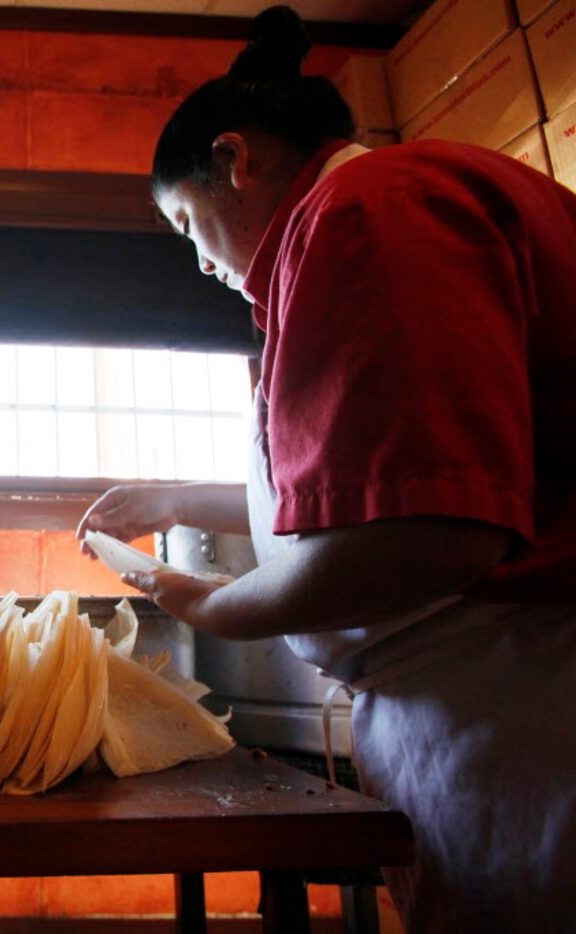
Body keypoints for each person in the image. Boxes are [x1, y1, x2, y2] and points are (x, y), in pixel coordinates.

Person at [77, 7, 576, 933]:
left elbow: (428, 534)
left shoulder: (370, 208)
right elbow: (373, 482)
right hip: (483, 689)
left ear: (235, 160)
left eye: (187, 223)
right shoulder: (364, 216)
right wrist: (180, 496)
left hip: (528, 694)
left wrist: (205, 601)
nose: (199, 262)